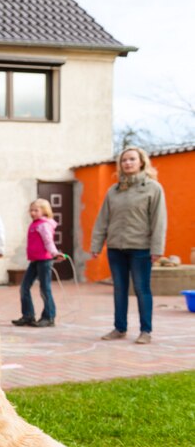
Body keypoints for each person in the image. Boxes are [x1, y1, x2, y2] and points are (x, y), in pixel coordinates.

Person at [90, 146, 167, 345]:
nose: (128, 163)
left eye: (132, 159)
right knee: (119, 289)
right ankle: (120, 328)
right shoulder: (113, 191)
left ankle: (146, 330)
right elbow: (102, 220)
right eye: (124, 160)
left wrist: (157, 249)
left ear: (141, 161)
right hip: (116, 248)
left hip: (141, 248)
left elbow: (159, 221)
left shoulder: (153, 188)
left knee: (142, 289)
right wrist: (96, 244)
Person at [11, 198, 65, 328]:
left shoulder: (43, 224)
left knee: (45, 289)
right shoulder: (35, 223)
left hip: (44, 260)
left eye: (36, 210)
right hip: (35, 261)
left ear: (44, 211)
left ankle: (49, 317)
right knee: (24, 287)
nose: (32, 213)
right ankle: (28, 315)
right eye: (31, 210)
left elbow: (48, 241)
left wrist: (54, 253)